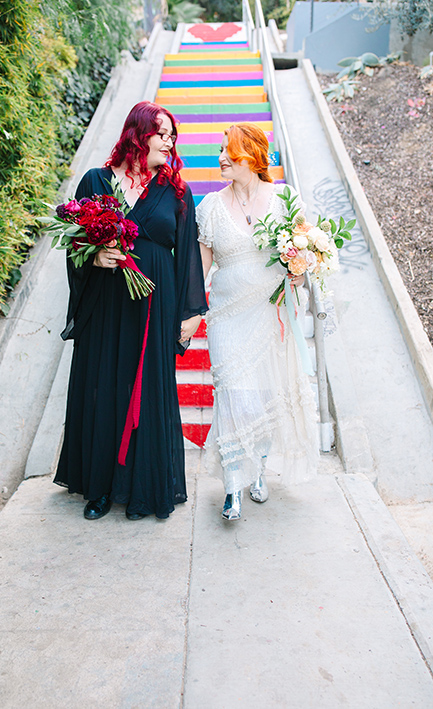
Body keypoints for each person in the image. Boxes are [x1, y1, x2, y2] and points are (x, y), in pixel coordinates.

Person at [54, 101, 208, 520]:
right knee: (103, 383)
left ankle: (143, 488)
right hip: (105, 300)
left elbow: (186, 256)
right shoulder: (96, 181)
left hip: (154, 303)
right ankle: (100, 489)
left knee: (147, 389)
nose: (170, 142)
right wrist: (93, 255)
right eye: (163, 134)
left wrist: (190, 312)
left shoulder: (176, 191)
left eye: (173, 136)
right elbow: (72, 244)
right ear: (138, 134)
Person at [196, 123, 319, 521]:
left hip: (271, 314)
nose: (221, 158)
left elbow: (308, 249)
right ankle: (232, 486)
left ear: (252, 155)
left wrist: (301, 272)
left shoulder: (284, 198)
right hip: (227, 318)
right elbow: (200, 272)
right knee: (234, 395)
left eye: (228, 151)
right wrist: (190, 312)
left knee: (265, 395)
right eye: (219, 150)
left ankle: (259, 471)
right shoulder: (210, 208)